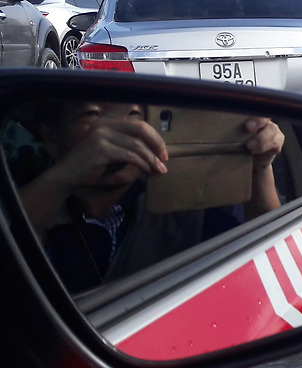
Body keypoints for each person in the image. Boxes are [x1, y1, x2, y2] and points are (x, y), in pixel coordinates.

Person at [16, 101, 284, 293]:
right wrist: (64, 176)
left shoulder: (184, 202)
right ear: (51, 137)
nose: (117, 130)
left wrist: (259, 169)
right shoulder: (24, 199)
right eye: (92, 114)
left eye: (134, 114)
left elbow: (269, 265)